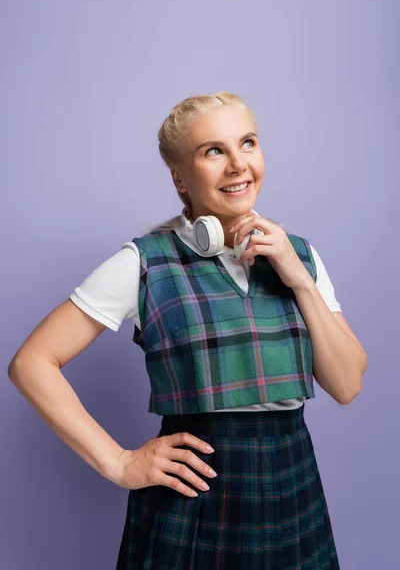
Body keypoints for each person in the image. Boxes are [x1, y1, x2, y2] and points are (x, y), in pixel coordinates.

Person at [8, 91, 368, 569]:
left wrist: (299, 279)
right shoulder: (145, 262)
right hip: (194, 500)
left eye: (248, 143)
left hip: (291, 485)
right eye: (213, 151)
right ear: (179, 176)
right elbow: (31, 363)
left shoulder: (299, 255)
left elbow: (346, 385)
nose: (238, 165)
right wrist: (119, 463)